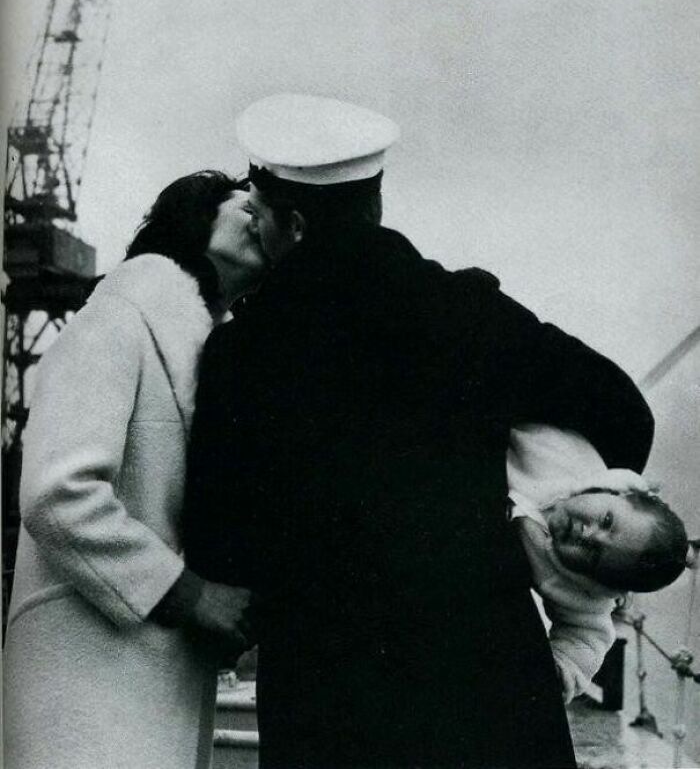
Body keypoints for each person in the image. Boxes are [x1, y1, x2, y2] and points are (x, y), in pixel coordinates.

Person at [185, 95, 655, 769]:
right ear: (375, 203)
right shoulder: (468, 312)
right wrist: (550, 514)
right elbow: (623, 410)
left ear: (291, 224)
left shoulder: (242, 355)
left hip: (328, 702)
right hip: (490, 688)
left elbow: (218, 545)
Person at [3, 170, 263, 769]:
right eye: (241, 201)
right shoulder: (118, 316)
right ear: (191, 218)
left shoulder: (200, 340)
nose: (258, 212)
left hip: (133, 680)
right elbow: (56, 492)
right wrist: (188, 594)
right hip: (84, 686)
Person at [507, 422, 690, 704]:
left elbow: (585, 638)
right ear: (615, 493)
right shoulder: (567, 457)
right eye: (607, 520)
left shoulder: (581, 592)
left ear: (600, 580)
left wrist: (562, 669)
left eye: (594, 554)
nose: (587, 534)